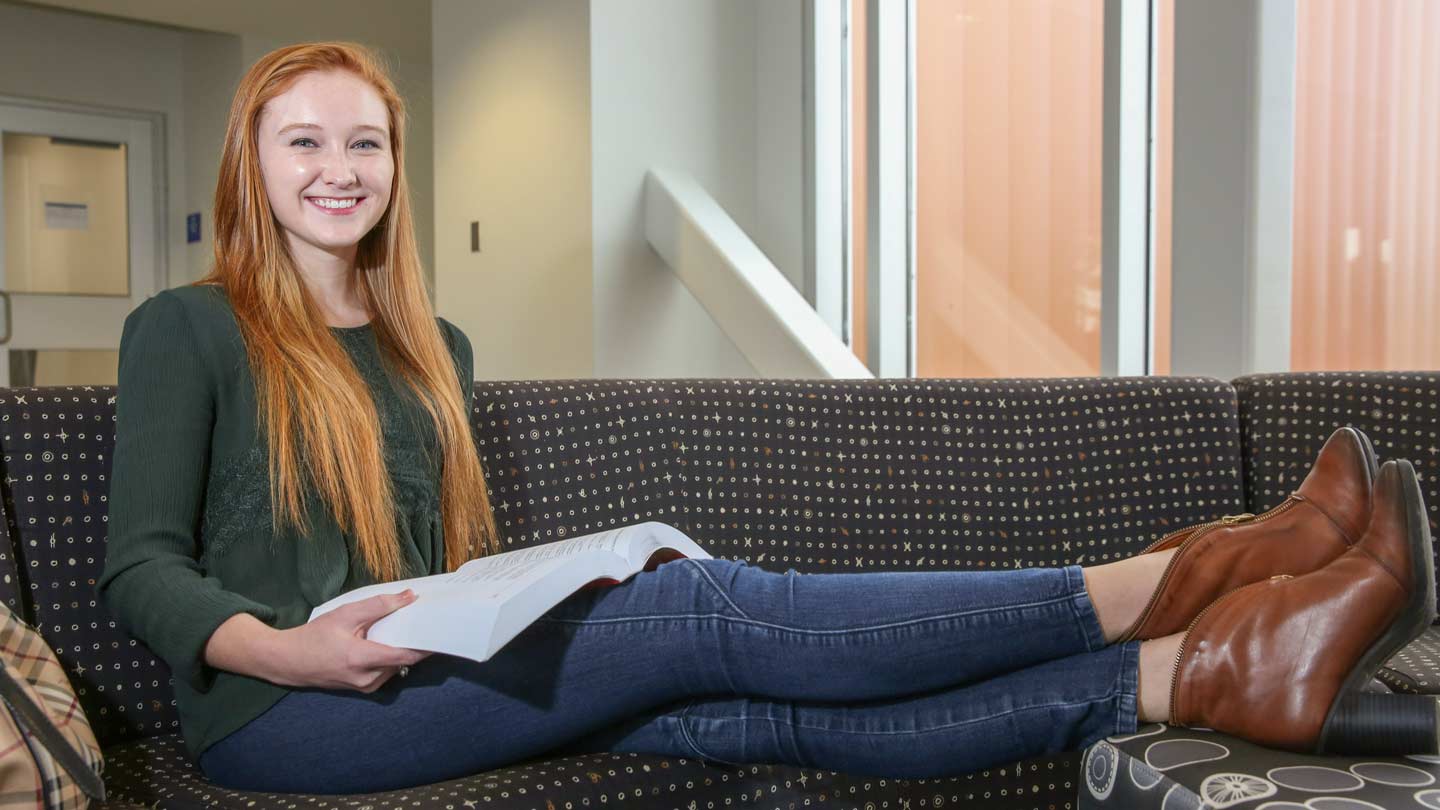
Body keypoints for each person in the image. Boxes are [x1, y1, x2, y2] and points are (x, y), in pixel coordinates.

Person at [97, 41, 1438, 796]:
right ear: (251, 165)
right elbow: (142, 563)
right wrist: (285, 651)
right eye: (303, 142)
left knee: (749, 709)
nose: (339, 170)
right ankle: (1185, 572)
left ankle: (1193, 675)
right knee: (695, 608)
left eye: (364, 143)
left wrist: (505, 596)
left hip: (420, 671)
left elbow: (430, 569)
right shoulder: (189, 327)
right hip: (276, 717)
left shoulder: (430, 349)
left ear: (395, 166)